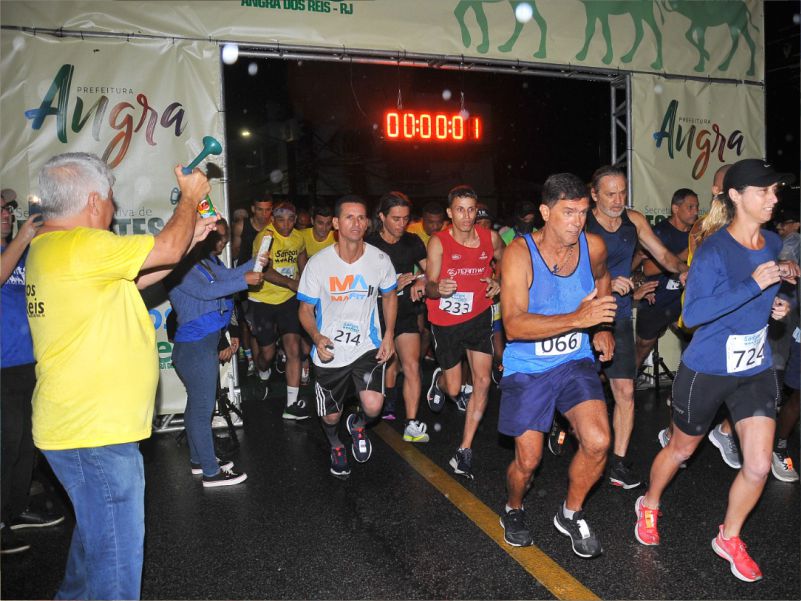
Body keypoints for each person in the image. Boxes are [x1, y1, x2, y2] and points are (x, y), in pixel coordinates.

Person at [26, 152, 214, 599]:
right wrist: (188, 200)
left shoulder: (53, 248)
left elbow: (145, 275)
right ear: (93, 200)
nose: (114, 209)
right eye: (111, 199)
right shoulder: (81, 245)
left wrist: (189, 239)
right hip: (94, 434)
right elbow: (163, 249)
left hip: (79, 427)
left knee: (96, 536)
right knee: (116, 564)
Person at [633, 158, 799, 583]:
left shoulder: (768, 243)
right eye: (764, 191)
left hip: (755, 366)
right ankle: (649, 503)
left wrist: (779, 305)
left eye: (775, 191)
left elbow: (766, 296)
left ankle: (730, 536)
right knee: (682, 450)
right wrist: (755, 286)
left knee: (759, 465)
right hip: (707, 367)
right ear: (737, 196)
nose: (774, 198)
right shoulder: (713, 250)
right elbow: (694, 314)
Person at [498, 172, 616, 558]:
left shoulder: (593, 246)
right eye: (568, 213)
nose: (577, 222)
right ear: (545, 212)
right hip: (528, 366)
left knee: (599, 441)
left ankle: (571, 512)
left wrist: (601, 325)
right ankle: (513, 508)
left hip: (573, 361)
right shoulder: (518, 254)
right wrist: (578, 321)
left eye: (583, 212)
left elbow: (603, 279)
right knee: (528, 461)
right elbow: (513, 326)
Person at [585, 165, 688, 489]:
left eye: (622, 193)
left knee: (625, 392)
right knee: (578, 390)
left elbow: (664, 257)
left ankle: (617, 462)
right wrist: (602, 281)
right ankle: (566, 426)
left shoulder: (634, 220)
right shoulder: (580, 221)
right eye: (610, 194)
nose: (618, 200)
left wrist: (689, 272)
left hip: (617, 314)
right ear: (594, 194)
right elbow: (563, 269)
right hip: (581, 316)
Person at [297, 195, 397, 478]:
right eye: (350, 217)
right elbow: (304, 309)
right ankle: (335, 443)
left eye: (361, 217)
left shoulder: (379, 260)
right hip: (330, 351)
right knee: (330, 416)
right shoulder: (318, 264)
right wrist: (316, 337)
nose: (356, 223)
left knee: (374, 407)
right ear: (336, 223)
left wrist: (389, 335)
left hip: (367, 346)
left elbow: (389, 296)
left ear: (367, 223)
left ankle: (359, 424)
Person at [167, 219, 267, 487]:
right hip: (195, 347)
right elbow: (209, 291)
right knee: (202, 410)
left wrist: (254, 262)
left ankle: (200, 462)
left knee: (196, 407)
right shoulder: (180, 267)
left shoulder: (201, 263)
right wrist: (245, 278)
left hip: (201, 345)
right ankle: (211, 473)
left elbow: (225, 277)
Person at [425, 185, 504, 479]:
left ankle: (464, 450)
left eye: (471, 209)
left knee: (482, 381)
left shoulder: (489, 238)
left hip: (479, 317)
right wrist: (438, 288)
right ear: (450, 213)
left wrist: (498, 281)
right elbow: (430, 285)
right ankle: (440, 381)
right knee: (455, 389)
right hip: (445, 322)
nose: (467, 216)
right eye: (460, 209)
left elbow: (506, 260)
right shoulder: (439, 242)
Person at [1, 193, 65, 555]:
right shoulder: (13, 251)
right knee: (6, 444)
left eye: (8, 211)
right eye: (1, 212)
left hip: (30, 364)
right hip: (1, 369)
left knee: (27, 443)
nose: (7, 216)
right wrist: (23, 238)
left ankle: (16, 507)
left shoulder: (23, 255)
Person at [366, 192, 429, 442]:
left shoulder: (413, 242)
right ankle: (371, 409)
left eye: (405, 218)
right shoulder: (368, 245)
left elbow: (431, 271)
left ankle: (412, 423)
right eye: (395, 219)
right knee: (377, 368)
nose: (401, 224)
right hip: (373, 315)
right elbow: (360, 284)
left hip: (404, 313)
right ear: (381, 217)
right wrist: (391, 285)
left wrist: (421, 280)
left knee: (412, 364)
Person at [247, 201, 309, 418]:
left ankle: (291, 405)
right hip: (262, 299)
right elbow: (264, 269)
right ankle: (261, 368)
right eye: (281, 219)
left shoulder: (298, 237)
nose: (286, 224)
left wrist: (304, 278)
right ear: (273, 219)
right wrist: (291, 283)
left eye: (291, 219)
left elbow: (302, 255)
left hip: (288, 300)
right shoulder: (265, 238)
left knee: (293, 348)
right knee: (268, 354)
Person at [634, 188, 698, 372]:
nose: (695, 211)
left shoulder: (697, 234)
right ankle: (627, 386)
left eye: (697, 207)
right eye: (690, 207)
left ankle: (684, 391)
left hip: (683, 299)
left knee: (694, 344)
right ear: (675, 208)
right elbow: (648, 268)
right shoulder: (659, 232)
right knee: (643, 346)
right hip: (658, 299)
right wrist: (685, 254)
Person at [231, 195, 274, 374]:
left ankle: (264, 361)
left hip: (271, 282)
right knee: (250, 324)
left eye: (267, 209)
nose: (264, 214)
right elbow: (233, 252)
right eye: (260, 209)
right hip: (247, 282)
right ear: (253, 209)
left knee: (267, 324)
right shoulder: (242, 226)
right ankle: (252, 360)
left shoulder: (275, 226)